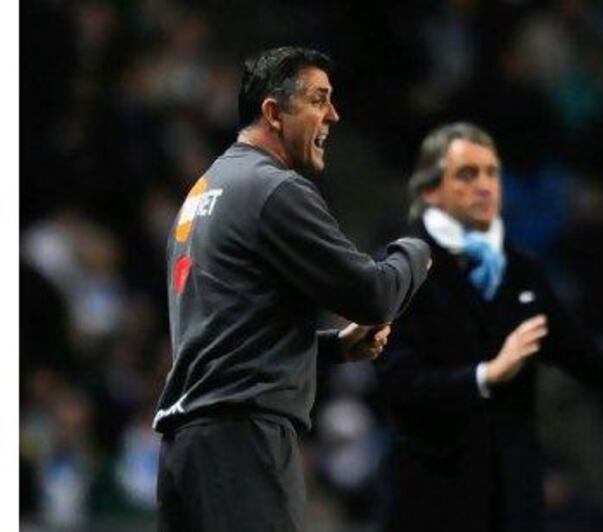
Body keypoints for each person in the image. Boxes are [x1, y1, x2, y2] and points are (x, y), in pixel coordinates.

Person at [153, 47, 431, 532]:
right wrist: (420, 248)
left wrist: (334, 349)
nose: (334, 114)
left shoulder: (203, 194)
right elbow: (373, 294)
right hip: (243, 448)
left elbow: (222, 338)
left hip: (187, 452)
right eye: (319, 99)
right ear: (272, 114)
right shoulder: (272, 189)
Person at [374, 122, 603, 532]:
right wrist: (485, 375)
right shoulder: (401, 271)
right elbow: (400, 388)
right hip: (432, 493)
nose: (485, 186)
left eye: (491, 173)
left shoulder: (521, 270)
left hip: (510, 492)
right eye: (467, 175)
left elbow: (583, 356)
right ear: (430, 192)